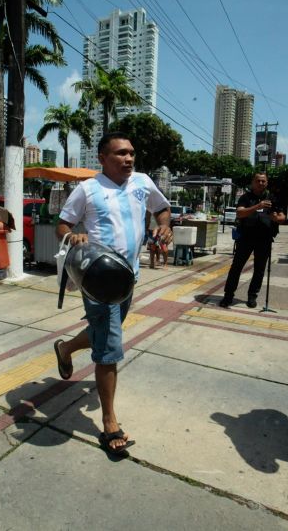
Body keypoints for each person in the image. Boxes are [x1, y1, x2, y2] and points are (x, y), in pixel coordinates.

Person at [54, 132, 172, 456]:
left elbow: (162, 208)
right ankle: (109, 422)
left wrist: (165, 225)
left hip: (129, 279)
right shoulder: (87, 189)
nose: (128, 158)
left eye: (131, 152)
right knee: (109, 347)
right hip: (98, 280)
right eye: (120, 153)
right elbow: (62, 224)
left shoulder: (143, 182)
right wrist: (73, 236)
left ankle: (65, 348)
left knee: (103, 332)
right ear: (103, 158)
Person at [219, 172, 285, 308]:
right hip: (246, 237)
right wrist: (257, 206)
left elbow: (282, 217)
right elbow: (239, 213)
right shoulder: (245, 197)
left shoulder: (273, 198)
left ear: (267, 183)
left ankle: (252, 296)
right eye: (258, 181)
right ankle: (228, 295)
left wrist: (276, 218)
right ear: (252, 183)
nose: (261, 183)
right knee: (236, 267)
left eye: (263, 181)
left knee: (259, 269)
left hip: (265, 238)